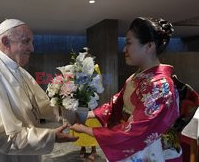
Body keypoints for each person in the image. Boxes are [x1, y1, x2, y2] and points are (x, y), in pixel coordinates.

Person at [0, 19, 78, 162]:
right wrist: (49, 137)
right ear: (6, 42)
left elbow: (41, 106)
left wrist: (73, 114)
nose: (32, 48)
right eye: (26, 42)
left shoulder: (19, 71)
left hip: (24, 152)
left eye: (31, 42)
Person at [71, 17, 182, 161]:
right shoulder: (137, 76)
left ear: (149, 46)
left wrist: (87, 129)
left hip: (151, 149)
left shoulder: (159, 85)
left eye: (129, 43)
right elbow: (115, 103)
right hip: (138, 144)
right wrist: (86, 114)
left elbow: (136, 130)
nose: (124, 49)